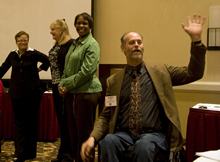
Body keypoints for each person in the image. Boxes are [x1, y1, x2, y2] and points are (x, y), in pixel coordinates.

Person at [80, 13, 207, 162]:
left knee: (144, 145)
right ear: (122, 48)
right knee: (108, 141)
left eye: (139, 42)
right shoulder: (113, 81)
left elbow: (194, 73)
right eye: (132, 42)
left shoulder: (161, 73)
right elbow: (105, 115)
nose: (136, 45)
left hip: (153, 134)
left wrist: (196, 41)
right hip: (124, 134)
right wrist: (92, 138)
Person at [0, 31, 50, 162]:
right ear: (16, 42)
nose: (23, 43)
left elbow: (48, 60)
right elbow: (3, 68)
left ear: (28, 41)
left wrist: (40, 69)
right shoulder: (12, 55)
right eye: (20, 40)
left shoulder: (33, 53)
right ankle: (19, 152)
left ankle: (29, 152)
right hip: (16, 94)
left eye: (25, 40)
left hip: (33, 94)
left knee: (31, 123)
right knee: (19, 124)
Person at [58, 12, 102, 162]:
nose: (81, 26)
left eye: (84, 23)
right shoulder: (74, 43)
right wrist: (62, 85)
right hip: (73, 93)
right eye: (78, 23)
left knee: (84, 135)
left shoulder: (92, 44)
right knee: (74, 135)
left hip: (87, 93)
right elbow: (67, 68)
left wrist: (67, 85)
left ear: (90, 26)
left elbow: (87, 72)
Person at [49, 19, 74, 162]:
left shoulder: (71, 44)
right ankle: (62, 155)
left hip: (65, 87)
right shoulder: (57, 44)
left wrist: (66, 85)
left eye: (53, 29)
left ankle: (67, 156)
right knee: (62, 122)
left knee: (67, 122)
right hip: (55, 86)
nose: (50, 32)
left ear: (61, 30)